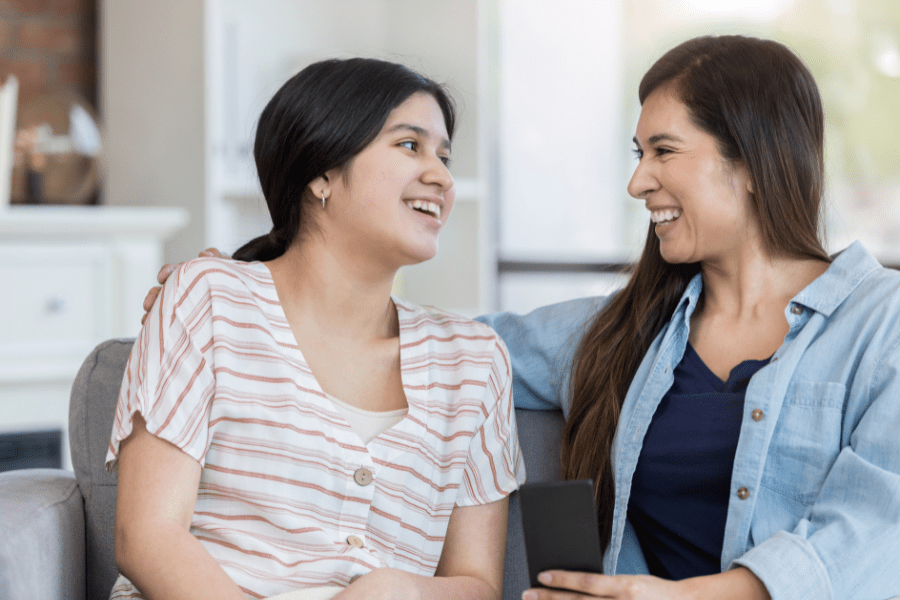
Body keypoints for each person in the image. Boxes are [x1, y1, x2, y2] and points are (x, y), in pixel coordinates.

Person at [145, 36, 900, 600]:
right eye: (637, 152)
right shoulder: (623, 331)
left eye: (663, 150)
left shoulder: (883, 325)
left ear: (753, 156)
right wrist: (239, 291)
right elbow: (425, 343)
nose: (638, 181)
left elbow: (877, 526)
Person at [113, 57, 525, 600]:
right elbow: (146, 537)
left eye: (444, 157)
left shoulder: (474, 360)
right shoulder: (208, 300)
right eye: (410, 146)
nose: (442, 177)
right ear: (322, 174)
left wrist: (399, 592)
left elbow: (477, 584)